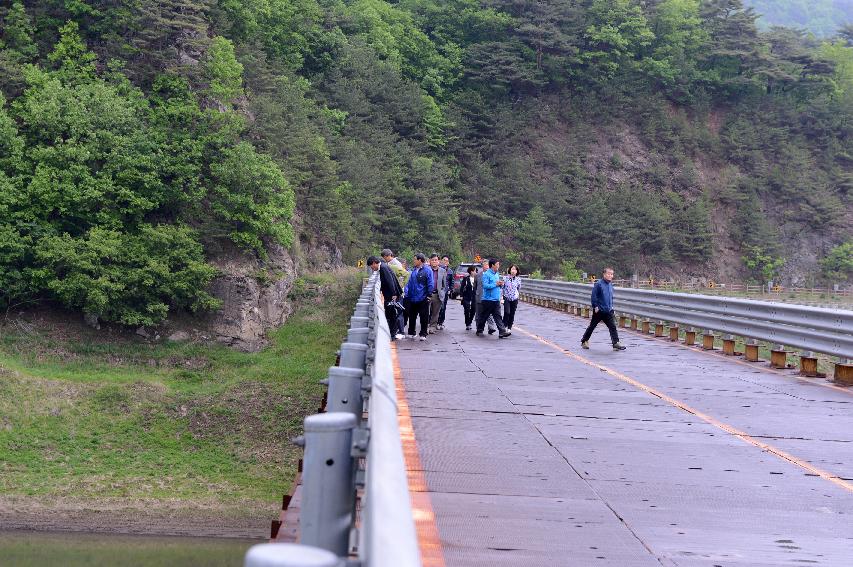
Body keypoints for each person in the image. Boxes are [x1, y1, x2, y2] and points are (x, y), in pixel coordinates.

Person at [581, 267, 627, 351]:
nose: (610, 275)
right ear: (604, 274)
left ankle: (615, 343)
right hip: (599, 310)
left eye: (612, 274)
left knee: (612, 327)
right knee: (592, 326)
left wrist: (611, 307)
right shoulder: (598, 284)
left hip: (608, 311)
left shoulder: (610, 285)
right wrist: (595, 306)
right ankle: (584, 341)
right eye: (608, 274)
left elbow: (610, 297)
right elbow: (593, 296)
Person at [368, 255, 404, 340]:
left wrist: (394, 294)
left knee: (392, 315)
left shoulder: (383, 268)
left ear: (374, 263)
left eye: (371, 266)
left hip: (392, 295)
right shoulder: (383, 267)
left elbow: (390, 281)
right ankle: (391, 333)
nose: (372, 268)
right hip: (390, 294)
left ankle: (392, 334)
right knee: (390, 314)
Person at [476, 259, 511, 338]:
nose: (498, 266)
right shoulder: (486, 274)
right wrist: (495, 284)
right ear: (492, 265)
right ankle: (479, 330)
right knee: (484, 316)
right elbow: (485, 286)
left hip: (496, 299)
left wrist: (500, 284)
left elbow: (497, 285)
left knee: (498, 316)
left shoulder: (497, 274)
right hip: (487, 299)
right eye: (497, 264)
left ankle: (502, 332)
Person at [404, 253, 434, 341]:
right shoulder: (413, 270)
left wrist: (429, 295)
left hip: (423, 297)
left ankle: (423, 333)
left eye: (415, 259)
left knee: (424, 316)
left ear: (420, 260)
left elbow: (430, 283)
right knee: (412, 316)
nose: (413, 261)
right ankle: (411, 332)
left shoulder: (427, 270)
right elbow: (409, 283)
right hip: (412, 297)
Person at [474, 257, 497, 335]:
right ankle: (479, 329)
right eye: (485, 265)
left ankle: (491, 328)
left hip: (489, 297)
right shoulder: (478, 275)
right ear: (482, 266)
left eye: (488, 265)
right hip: (480, 296)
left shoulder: (493, 274)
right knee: (479, 314)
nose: (487, 266)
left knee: (489, 313)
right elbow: (475, 285)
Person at [427, 254, 448, 333]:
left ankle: (432, 327)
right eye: (433, 260)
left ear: (438, 261)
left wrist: (442, 292)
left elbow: (444, 284)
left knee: (435, 312)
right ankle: (425, 327)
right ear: (430, 261)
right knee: (425, 311)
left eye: (436, 260)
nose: (434, 261)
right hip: (427, 294)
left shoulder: (442, 271)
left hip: (437, 294)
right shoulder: (426, 269)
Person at [502, 264, 522, 330]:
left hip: (514, 298)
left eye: (515, 269)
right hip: (506, 297)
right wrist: (501, 297)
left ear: (517, 271)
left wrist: (516, 295)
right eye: (512, 269)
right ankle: (504, 325)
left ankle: (509, 328)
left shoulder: (518, 279)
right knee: (507, 312)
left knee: (512, 313)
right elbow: (502, 287)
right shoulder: (505, 278)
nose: (513, 271)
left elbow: (518, 288)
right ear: (510, 270)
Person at [437, 255, 453, 329]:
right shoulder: (438, 269)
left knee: (443, 307)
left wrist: (450, 289)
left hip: (445, 292)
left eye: (447, 261)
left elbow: (451, 281)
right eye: (444, 260)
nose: (445, 262)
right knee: (436, 307)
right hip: (437, 291)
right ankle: (434, 322)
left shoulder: (450, 271)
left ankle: (441, 322)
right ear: (441, 261)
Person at [459, 265, 477, 330]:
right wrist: (461, 296)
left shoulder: (477, 279)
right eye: (473, 271)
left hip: (474, 297)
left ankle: (470, 322)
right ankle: (467, 324)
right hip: (466, 296)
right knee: (467, 310)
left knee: (473, 310)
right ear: (470, 271)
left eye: (475, 271)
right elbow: (462, 287)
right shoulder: (466, 278)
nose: (474, 272)